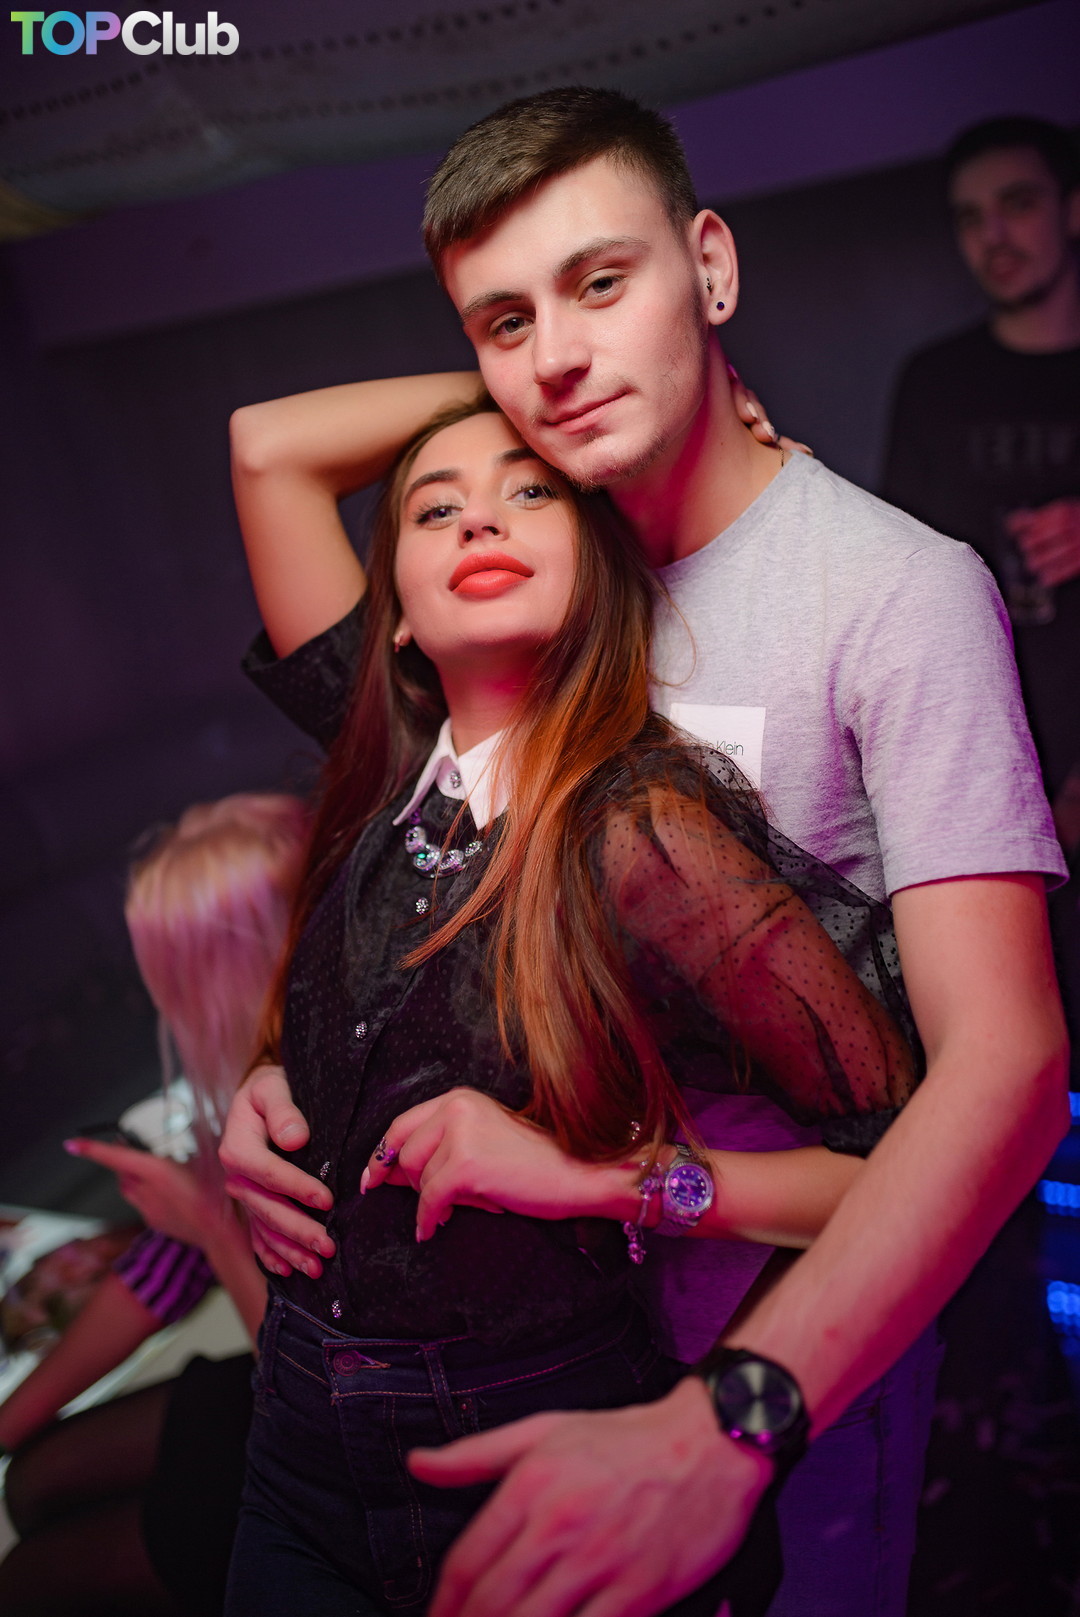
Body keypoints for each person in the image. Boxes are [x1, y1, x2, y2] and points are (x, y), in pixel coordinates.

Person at [220, 88, 1069, 1617]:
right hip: (537, 1359)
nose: (555, 354)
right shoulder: (545, 560)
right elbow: (435, 879)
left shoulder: (893, 591)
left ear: (712, 268)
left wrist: (728, 1413)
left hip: (779, 1362)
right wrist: (298, 1084)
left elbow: (1005, 1068)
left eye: (603, 282)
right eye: (505, 323)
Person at [223, 394, 922, 1616]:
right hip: (293, 1450)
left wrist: (606, 1179)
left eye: (530, 490)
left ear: (602, 570)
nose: (479, 519)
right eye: (435, 510)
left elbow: (912, 1173)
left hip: (531, 1440)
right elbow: (264, 449)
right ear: (397, 618)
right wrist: (276, 1087)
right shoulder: (388, 767)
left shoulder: (641, 832)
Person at [0, 792, 306, 1617]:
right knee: (31, 1478)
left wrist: (208, 1224)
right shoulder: (245, 1080)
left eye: (172, 970)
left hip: (345, 1451)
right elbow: (163, 1272)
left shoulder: (326, 1110)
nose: (158, 996)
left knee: (28, 1584)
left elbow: (331, 1387)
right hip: (274, 1380)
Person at [883, 115, 1080, 1049]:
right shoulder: (936, 380)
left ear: (1072, 209)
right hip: (991, 760)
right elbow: (898, 576)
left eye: (1017, 203)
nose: (993, 235)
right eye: (970, 216)